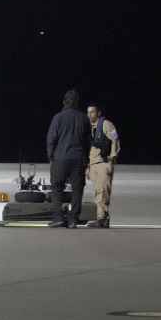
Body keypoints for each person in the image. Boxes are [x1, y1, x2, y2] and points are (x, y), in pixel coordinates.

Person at [46, 89, 91, 228]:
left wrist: (51, 156)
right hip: (78, 158)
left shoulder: (58, 117)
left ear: (64, 101)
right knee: (77, 190)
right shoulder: (83, 118)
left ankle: (58, 217)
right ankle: (73, 219)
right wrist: (86, 159)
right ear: (77, 102)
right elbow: (88, 141)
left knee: (56, 188)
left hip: (60, 158)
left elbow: (51, 139)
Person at [86, 104, 121, 228]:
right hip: (93, 163)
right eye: (88, 112)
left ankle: (102, 219)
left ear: (98, 113)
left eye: (92, 112)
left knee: (102, 192)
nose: (89, 115)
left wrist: (112, 159)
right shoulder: (89, 128)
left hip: (104, 162)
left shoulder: (107, 124)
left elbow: (115, 140)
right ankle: (101, 218)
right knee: (97, 193)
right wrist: (88, 166)